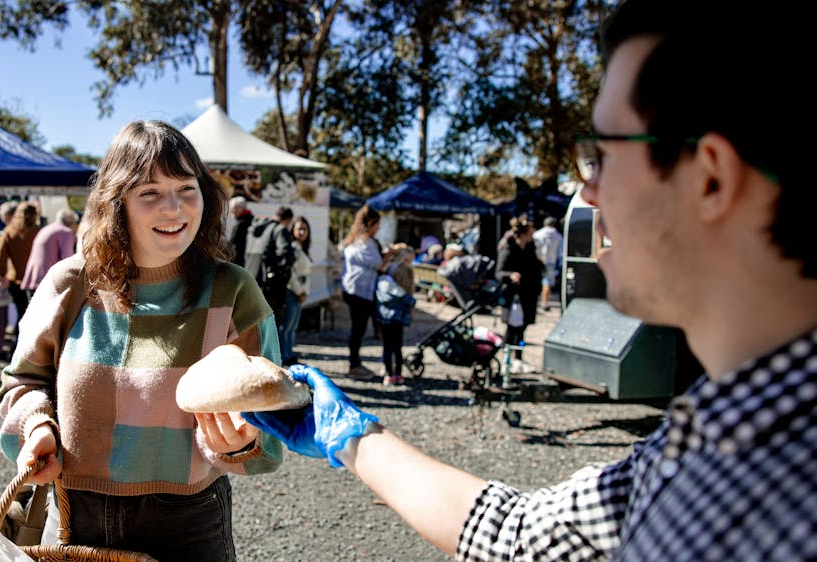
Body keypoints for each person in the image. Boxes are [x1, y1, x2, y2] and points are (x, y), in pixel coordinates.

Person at [244, 1, 817, 560]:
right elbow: (520, 534)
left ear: (710, 180)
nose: (587, 193)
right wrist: (352, 438)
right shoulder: (709, 431)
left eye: (604, 155)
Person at [0, 120, 285, 561]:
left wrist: (241, 443)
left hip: (189, 522)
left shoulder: (234, 291)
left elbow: (271, 429)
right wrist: (36, 428)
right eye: (149, 193)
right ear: (117, 203)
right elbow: (22, 383)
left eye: (187, 187)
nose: (174, 208)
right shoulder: (70, 284)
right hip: (75, 515)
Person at [340, 205, 390, 380]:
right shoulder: (365, 243)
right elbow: (379, 264)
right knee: (358, 329)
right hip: (359, 291)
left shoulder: (356, 240)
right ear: (370, 224)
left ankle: (356, 363)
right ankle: (354, 365)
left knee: (358, 329)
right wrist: (391, 254)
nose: (378, 229)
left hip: (353, 289)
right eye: (377, 225)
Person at [494, 217, 542, 368]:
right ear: (522, 234)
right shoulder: (508, 248)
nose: (532, 236)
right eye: (530, 233)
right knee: (512, 329)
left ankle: (518, 358)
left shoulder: (531, 247)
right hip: (513, 295)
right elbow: (499, 273)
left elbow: (535, 267)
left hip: (529, 293)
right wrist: (511, 275)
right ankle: (506, 359)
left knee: (522, 328)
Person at [0, 201, 40, 337]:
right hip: (35, 280)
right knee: (32, 314)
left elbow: (0, 255)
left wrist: (0, 275)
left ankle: (17, 343)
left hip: (16, 280)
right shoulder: (39, 232)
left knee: (21, 312)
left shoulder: (10, 232)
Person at [244, 205, 295, 325]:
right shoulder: (280, 229)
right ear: (288, 220)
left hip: (250, 284)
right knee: (270, 328)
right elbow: (287, 255)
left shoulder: (252, 229)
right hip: (270, 288)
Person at [375, 244, 415, 386]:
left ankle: (388, 373)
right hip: (399, 318)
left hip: (385, 317)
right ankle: (398, 373)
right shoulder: (405, 289)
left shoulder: (384, 280)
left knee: (387, 346)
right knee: (397, 347)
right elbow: (410, 299)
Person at [20, 208, 79, 299]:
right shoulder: (66, 232)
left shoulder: (46, 229)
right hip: (48, 282)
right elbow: (67, 260)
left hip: (34, 279)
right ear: (73, 223)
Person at [278, 215, 312, 366]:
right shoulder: (292, 248)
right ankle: (283, 356)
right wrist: (300, 292)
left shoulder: (303, 250)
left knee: (292, 328)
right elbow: (291, 274)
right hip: (292, 292)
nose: (302, 232)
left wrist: (305, 293)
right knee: (286, 327)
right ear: (293, 230)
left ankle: (289, 354)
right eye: (300, 228)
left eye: (305, 229)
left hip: (299, 294)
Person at [532, 216, 563, 311]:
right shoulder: (558, 236)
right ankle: (544, 302)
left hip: (536, 260)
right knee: (547, 283)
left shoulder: (537, 234)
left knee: (534, 282)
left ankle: (534, 302)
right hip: (551, 262)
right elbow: (560, 252)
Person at [226, 195, 253, 267]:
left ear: (240, 208)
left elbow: (233, 243)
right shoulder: (251, 219)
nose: (232, 211)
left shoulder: (241, 223)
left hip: (239, 259)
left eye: (233, 208)